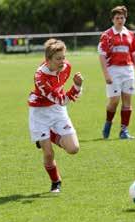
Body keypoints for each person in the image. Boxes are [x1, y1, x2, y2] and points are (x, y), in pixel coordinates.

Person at [28, 38, 84, 193]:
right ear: (47, 60)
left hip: (57, 111)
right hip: (40, 112)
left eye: (64, 57)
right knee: (48, 153)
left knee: (73, 149)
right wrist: (77, 86)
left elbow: (61, 98)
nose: (62, 62)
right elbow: (62, 100)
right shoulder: (40, 77)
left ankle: (50, 135)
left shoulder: (67, 67)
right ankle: (55, 182)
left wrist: (76, 88)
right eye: (58, 59)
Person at [97, 5, 135, 139]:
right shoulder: (106, 35)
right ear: (112, 19)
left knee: (127, 101)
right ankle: (108, 123)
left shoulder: (130, 34)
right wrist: (106, 74)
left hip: (128, 70)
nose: (120, 20)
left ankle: (124, 131)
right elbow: (101, 55)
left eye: (122, 17)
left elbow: (134, 54)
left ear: (125, 18)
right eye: (117, 18)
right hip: (113, 70)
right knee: (114, 101)